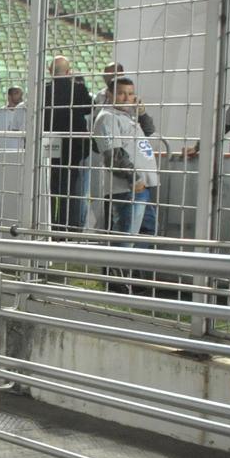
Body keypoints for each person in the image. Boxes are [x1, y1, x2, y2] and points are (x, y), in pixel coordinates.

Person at [93, 76, 158, 291]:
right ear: (110, 94)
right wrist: (134, 178)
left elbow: (149, 131)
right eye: (121, 93)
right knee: (126, 234)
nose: (127, 98)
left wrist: (142, 112)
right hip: (128, 187)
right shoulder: (107, 118)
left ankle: (135, 280)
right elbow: (113, 155)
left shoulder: (128, 116)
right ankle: (118, 285)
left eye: (131, 94)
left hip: (143, 186)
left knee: (144, 232)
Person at [42, 56, 94, 232]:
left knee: (50, 186)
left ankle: (50, 225)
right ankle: (69, 228)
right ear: (69, 71)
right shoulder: (77, 88)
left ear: (50, 71)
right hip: (75, 146)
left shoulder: (42, 89)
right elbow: (89, 108)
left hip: (50, 142)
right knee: (73, 190)